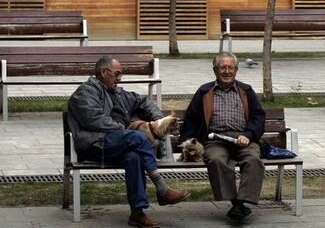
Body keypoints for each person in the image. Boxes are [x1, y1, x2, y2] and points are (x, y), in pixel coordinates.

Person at [68, 55, 190, 228]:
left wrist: (159, 121)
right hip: (94, 145)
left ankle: (137, 213)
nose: (120, 78)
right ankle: (161, 188)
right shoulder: (85, 93)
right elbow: (93, 120)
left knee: (134, 157)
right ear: (104, 72)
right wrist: (125, 131)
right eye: (117, 74)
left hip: (117, 145)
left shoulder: (118, 93)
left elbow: (143, 102)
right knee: (138, 137)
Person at [180, 52, 265, 221]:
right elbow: (191, 118)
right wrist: (188, 142)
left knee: (253, 160)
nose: (227, 71)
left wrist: (248, 135)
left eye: (230, 68)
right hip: (215, 140)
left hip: (243, 140)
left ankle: (242, 201)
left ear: (236, 70)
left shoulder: (246, 90)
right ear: (215, 70)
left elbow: (258, 117)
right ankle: (237, 204)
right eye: (222, 68)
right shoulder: (205, 91)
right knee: (215, 159)